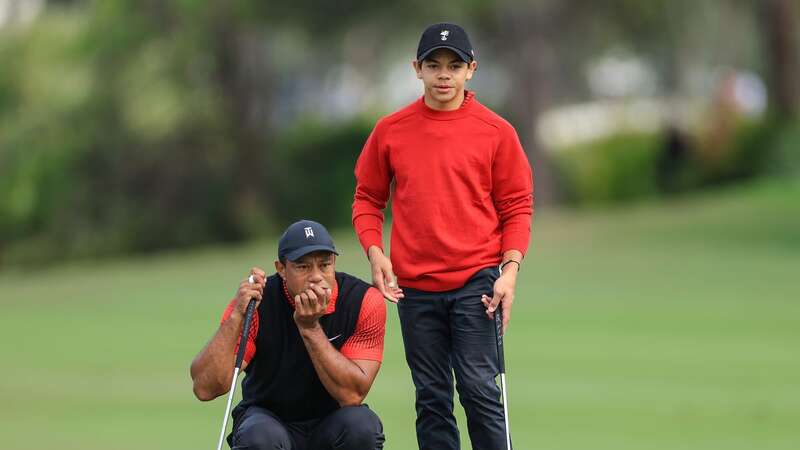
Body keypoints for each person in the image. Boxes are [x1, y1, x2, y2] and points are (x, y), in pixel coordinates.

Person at [352, 22, 533, 450]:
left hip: (477, 282)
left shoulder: (496, 132)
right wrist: (375, 252)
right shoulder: (391, 131)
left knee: (478, 391)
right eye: (434, 65)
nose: (444, 74)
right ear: (417, 69)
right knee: (432, 398)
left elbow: (517, 206)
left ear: (472, 69)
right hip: (414, 288)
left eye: (454, 65)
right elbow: (367, 198)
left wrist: (510, 270)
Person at [190, 219, 387, 450]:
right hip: (268, 419)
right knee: (260, 437)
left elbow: (352, 395)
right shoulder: (256, 303)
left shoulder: (363, 300)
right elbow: (205, 388)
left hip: (332, 423)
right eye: (303, 267)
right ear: (281, 269)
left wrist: (310, 328)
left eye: (324, 265)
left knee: (361, 427)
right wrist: (236, 317)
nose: (316, 276)